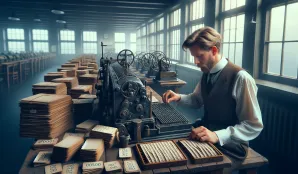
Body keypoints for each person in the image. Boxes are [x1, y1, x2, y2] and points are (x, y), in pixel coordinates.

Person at [162, 27, 263, 172]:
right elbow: (197, 100)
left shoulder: (241, 78)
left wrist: (217, 135)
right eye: (194, 57)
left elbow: (253, 125)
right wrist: (178, 97)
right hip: (207, 133)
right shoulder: (207, 73)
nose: (196, 62)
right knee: (172, 154)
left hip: (232, 146)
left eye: (200, 56)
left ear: (214, 51)